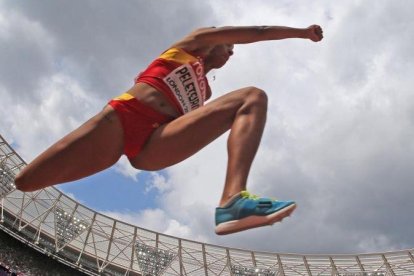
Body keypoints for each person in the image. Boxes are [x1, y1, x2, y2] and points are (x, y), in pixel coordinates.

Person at [14, 25, 323, 235]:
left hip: (154, 144)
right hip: (122, 120)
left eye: (233, 49)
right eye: (229, 46)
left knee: (252, 97)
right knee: (25, 181)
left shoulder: (207, 94)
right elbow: (257, 32)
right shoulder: (195, 41)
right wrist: (301, 33)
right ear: (214, 40)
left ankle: (233, 200)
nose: (232, 52)